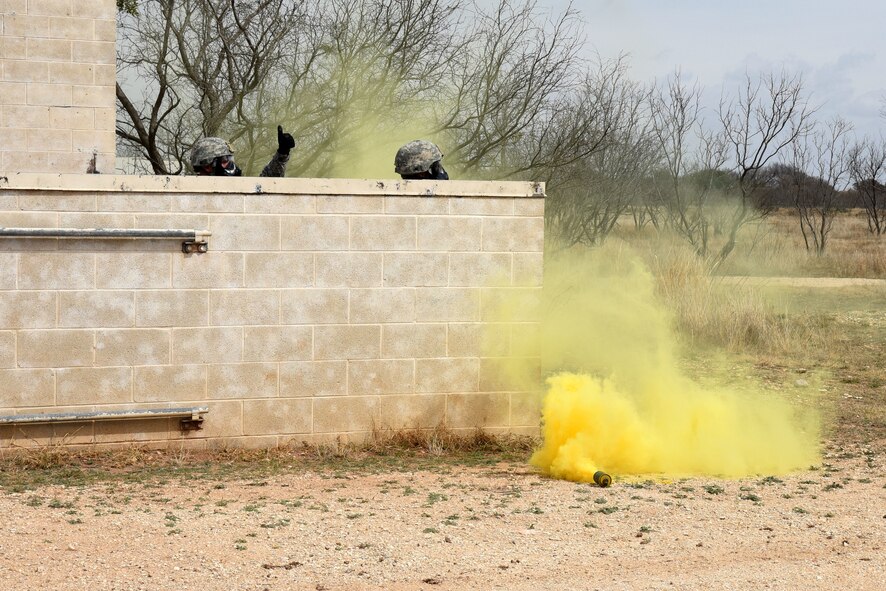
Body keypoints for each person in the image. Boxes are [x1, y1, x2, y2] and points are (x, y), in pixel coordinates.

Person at [190, 125, 295, 177]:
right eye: (225, 161)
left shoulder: (235, 191)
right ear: (208, 166)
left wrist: (283, 153)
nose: (232, 165)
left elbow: (268, 182)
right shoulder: (187, 196)